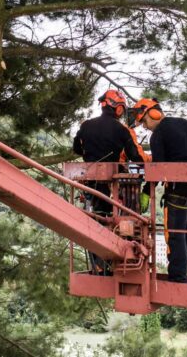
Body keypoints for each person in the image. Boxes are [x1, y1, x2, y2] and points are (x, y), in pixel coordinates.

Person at [128, 97, 187, 283]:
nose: (145, 126)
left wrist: (146, 191)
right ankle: (182, 273)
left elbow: (157, 169)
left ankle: (177, 278)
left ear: (154, 113)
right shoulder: (186, 123)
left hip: (179, 188)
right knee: (186, 231)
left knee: (175, 234)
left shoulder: (158, 134)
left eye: (144, 120)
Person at [73, 90, 147, 274]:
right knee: (116, 219)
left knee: (95, 218)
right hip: (112, 183)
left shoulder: (86, 125)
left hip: (90, 181)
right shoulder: (122, 130)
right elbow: (135, 156)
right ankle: (113, 258)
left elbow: (76, 148)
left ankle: (99, 264)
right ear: (119, 108)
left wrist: (90, 154)